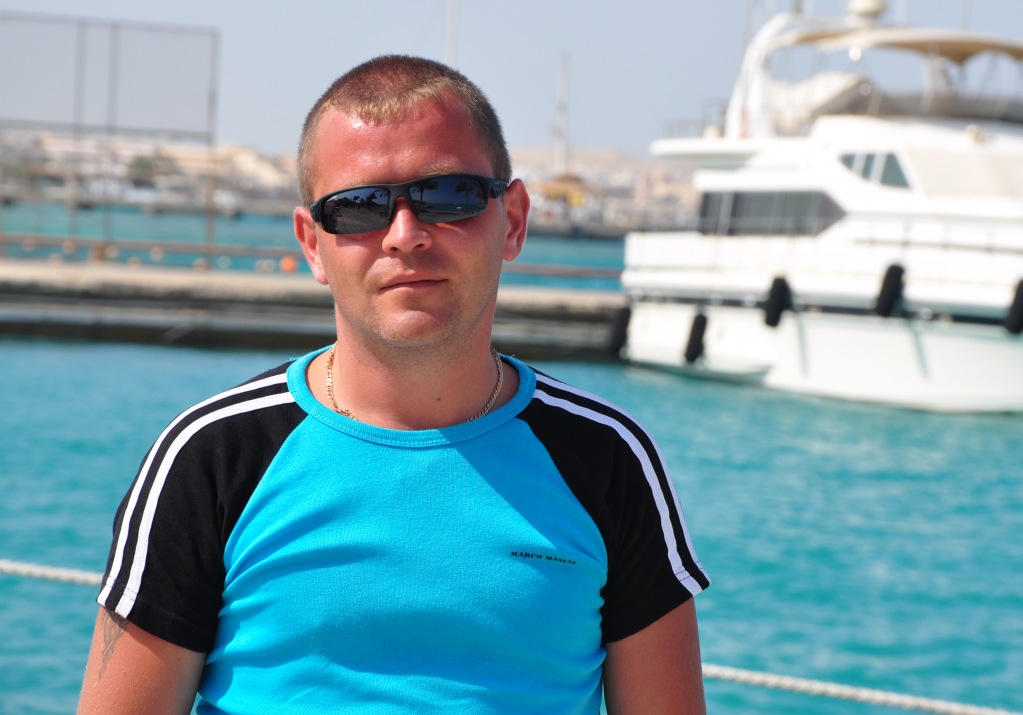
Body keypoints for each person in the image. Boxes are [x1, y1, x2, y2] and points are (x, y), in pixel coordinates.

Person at [77, 55, 710, 714]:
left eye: (451, 195)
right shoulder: (211, 457)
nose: (405, 236)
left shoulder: (609, 461)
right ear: (312, 244)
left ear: (515, 219)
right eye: (358, 207)